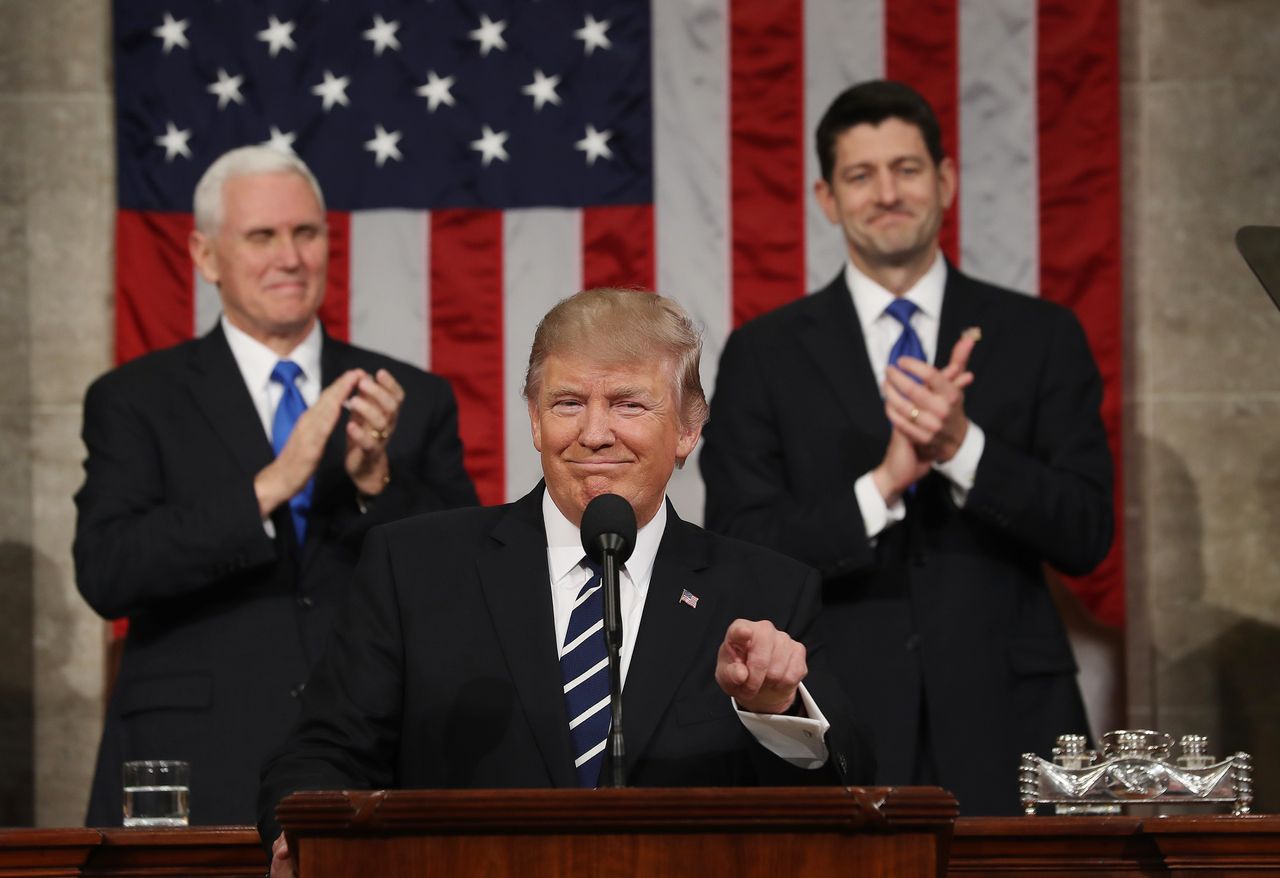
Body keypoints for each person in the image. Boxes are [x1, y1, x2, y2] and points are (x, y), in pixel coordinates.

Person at [258, 288, 872, 875]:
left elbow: (846, 795)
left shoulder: (765, 589)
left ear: (688, 428)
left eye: (629, 404)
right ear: (533, 418)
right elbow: (324, 752)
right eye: (568, 403)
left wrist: (777, 710)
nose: (594, 432)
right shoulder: (414, 566)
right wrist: (303, 834)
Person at [700, 80, 1114, 815]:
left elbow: (1086, 532)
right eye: (862, 175)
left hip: (1012, 724)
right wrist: (882, 486)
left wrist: (963, 448)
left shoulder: (1041, 334)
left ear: (946, 181)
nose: (886, 193)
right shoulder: (764, 354)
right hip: (839, 720)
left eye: (907, 169)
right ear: (827, 198)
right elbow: (741, 542)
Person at [75, 146, 478, 826]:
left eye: (306, 233)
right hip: (196, 764)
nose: (290, 257)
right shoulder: (135, 399)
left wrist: (377, 485)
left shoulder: (410, 398)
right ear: (206, 257)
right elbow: (108, 571)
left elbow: (465, 582)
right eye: (262, 236)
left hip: (369, 761)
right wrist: (269, 486)